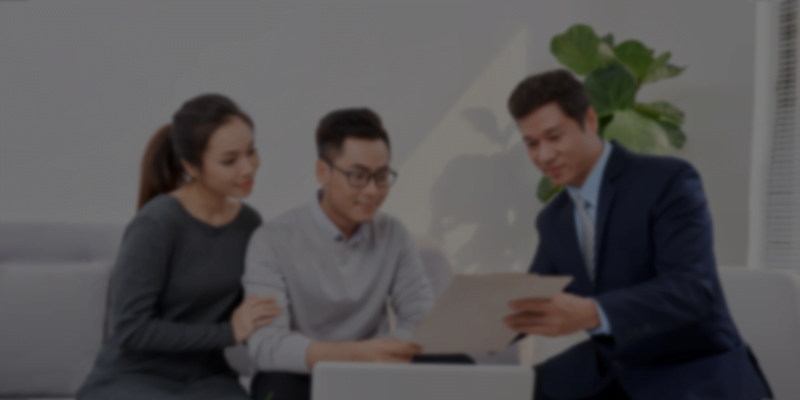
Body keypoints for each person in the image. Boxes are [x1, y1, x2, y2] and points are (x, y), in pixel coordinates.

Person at [502, 70, 772, 400]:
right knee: (500, 392)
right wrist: (438, 341)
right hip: (613, 368)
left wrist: (591, 312)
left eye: (555, 137)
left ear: (590, 120)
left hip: (692, 370)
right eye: (532, 144)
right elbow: (530, 301)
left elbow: (691, 288)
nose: (543, 156)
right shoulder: (553, 218)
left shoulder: (667, 180)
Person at [77, 94, 279, 400]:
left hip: (207, 379)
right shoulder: (157, 224)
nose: (249, 167)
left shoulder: (248, 223)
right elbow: (132, 329)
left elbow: (249, 308)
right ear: (191, 166)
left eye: (252, 152)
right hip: (135, 377)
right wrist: (227, 332)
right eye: (230, 160)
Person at [243, 108, 435, 400]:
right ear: (323, 172)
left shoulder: (393, 233)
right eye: (358, 176)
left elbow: (421, 319)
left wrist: (385, 351)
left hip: (376, 371)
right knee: (277, 386)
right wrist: (355, 355)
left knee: (460, 365)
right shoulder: (272, 240)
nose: (372, 190)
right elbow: (266, 344)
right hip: (302, 373)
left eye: (382, 176)